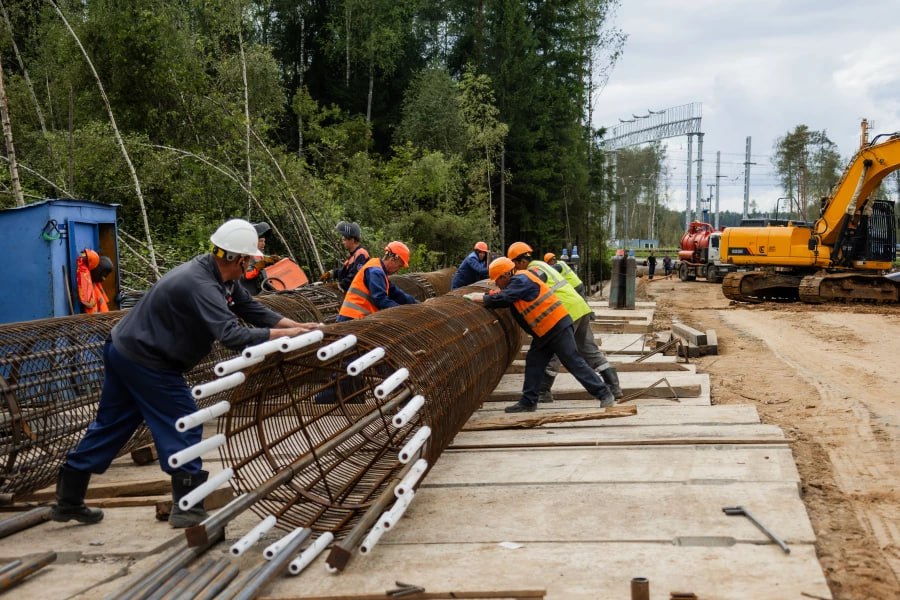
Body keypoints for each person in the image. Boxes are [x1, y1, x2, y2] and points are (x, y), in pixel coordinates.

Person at [51, 219, 321, 528]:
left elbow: (251, 309)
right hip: (147, 359)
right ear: (236, 258)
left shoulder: (220, 276)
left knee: (112, 425)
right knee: (185, 422)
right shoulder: (201, 284)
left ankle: (67, 499)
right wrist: (283, 337)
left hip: (124, 349)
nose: (251, 265)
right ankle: (187, 507)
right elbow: (231, 335)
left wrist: (297, 327)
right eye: (248, 259)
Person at [464, 257, 614, 413]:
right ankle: (528, 402)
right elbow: (506, 296)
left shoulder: (521, 279)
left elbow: (505, 297)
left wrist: (482, 298)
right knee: (534, 363)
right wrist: (489, 296)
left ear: (505, 276)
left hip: (556, 327)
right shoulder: (518, 280)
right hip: (545, 331)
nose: (497, 284)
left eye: (497, 281)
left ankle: (604, 393)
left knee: (573, 361)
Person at [512, 243, 622, 402]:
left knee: (557, 352)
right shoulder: (542, 264)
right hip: (580, 307)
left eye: (514, 265)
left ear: (520, 261)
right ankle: (614, 387)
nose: (515, 269)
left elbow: (535, 281)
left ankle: (543, 392)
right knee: (589, 349)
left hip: (566, 311)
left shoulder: (534, 270)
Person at [337, 241, 418, 322]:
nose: (398, 270)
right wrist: (404, 312)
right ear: (392, 259)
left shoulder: (379, 271)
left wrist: (418, 305)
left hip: (357, 318)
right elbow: (381, 300)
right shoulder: (375, 271)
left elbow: (397, 294)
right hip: (352, 319)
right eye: (399, 266)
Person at [320, 221, 369, 293]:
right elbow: (344, 271)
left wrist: (340, 285)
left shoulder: (361, 254)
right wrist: (332, 273)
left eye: (344, 239)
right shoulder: (353, 255)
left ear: (352, 240)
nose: (343, 242)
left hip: (360, 295)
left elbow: (355, 276)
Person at [240, 222, 282, 295]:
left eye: (264, 241)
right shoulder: (245, 254)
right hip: (250, 293)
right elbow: (246, 275)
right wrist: (261, 264)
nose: (263, 244)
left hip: (262, 290)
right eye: (260, 241)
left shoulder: (259, 254)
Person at [76, 249, 112, 314]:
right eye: (102, 274)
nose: (104, 279)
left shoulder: (95, 285)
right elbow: (84, 254)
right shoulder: (84, 272)